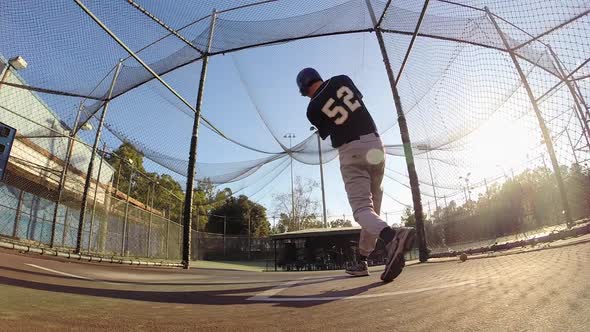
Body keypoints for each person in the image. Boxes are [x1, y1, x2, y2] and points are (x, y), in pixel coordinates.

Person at [297, 67, 416, 282]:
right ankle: (362, 259)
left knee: (362, 210)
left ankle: (393, 237)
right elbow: (357, 103)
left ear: (304, 89)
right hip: (375, 145)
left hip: (351, 151)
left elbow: (329, 129)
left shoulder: (312, 108)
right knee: (373, 212)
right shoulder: (342, 79)